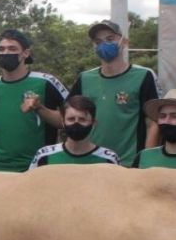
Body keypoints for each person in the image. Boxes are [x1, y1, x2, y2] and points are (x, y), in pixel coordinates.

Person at [69, 20, 161, 167]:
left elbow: (152, 124)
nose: (104, 44)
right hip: (91, 162)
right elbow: (67, 118)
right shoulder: (85, 78)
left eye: (110, 39)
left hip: (128, 164)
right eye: (98, 41)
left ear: (123, 41)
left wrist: (145, 162)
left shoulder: (143, 76)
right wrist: (40, 107)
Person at [0, 29, 67, 172]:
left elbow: (69, 120)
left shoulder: (46, 82)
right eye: (1, 49)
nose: (6, 53)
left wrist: (40, 108)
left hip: (39, 167)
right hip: (0, 169)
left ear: (25, 53)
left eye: (12, 48)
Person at [29, 96, 120, 167]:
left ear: (93, 123)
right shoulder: (44, 156)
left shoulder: (109, 159)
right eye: (71, 119)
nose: (76, 123)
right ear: (63, 121)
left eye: (82, 119)